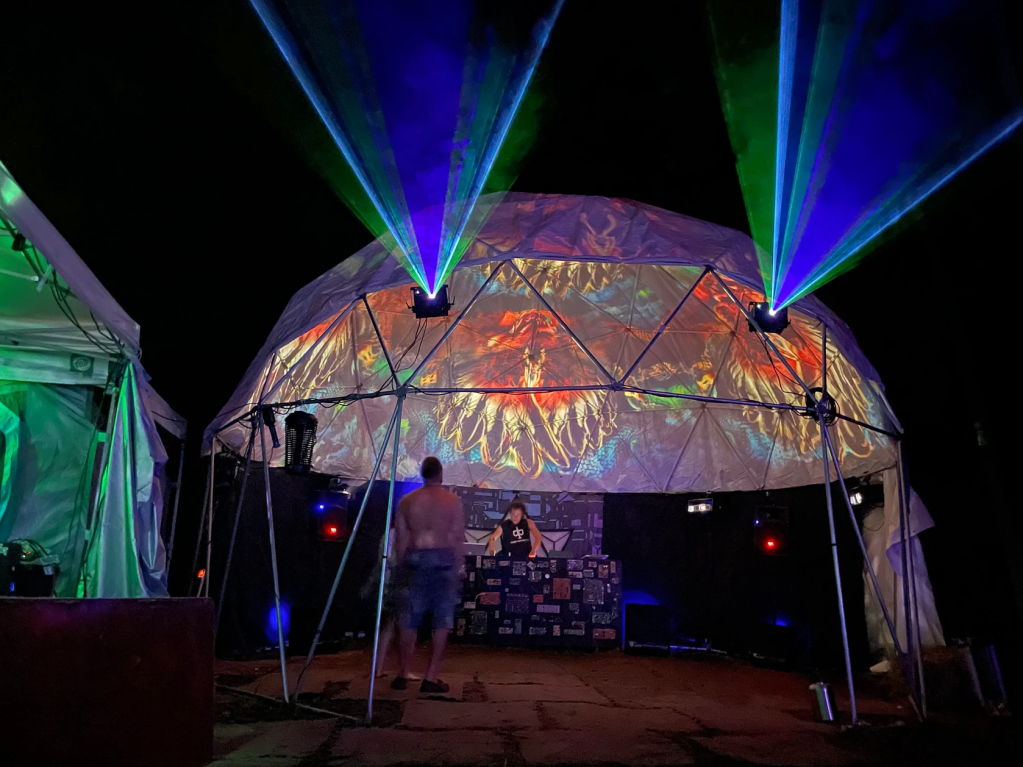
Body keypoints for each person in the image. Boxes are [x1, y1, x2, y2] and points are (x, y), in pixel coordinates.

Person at [392, 456, 465, 693]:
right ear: (440, 474)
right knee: (442, 622)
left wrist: (400, 566)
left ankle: (403, 673)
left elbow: (401, 539)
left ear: (422, 474)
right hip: (443, 560)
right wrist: (459, 565)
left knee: (409, 620)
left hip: (414, 559)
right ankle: (430, 677)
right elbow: (456, 537)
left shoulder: (407, 501)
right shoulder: (452, 501)